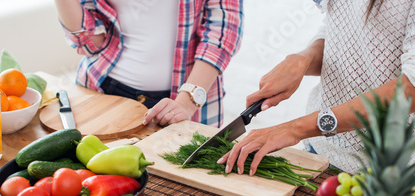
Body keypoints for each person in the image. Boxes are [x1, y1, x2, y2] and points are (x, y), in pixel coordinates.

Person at [218, 0, 415, 175]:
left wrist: (295, 129)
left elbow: (410, 91)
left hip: (393, 173)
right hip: (320, 153)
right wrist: (304, 59)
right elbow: (338, 26)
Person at [54, 0, 243, 128]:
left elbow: (223, 32)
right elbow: (91, 42)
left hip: (184, 99)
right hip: (103, 90)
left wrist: (188, 102)